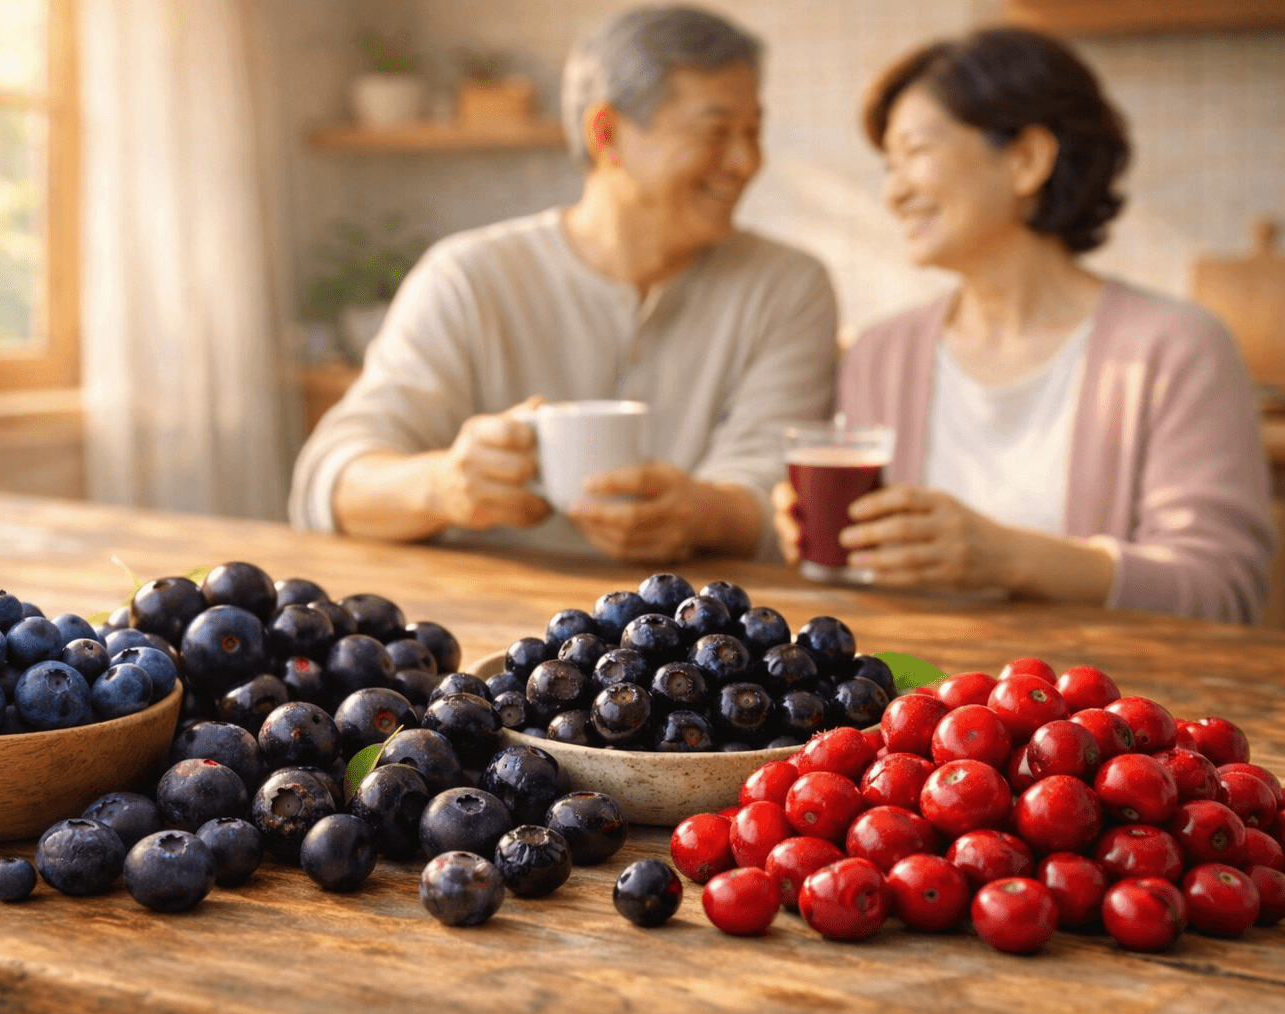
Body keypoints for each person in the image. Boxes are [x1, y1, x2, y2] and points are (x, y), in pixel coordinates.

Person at [290, 5, 837, 562]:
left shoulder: (787, 286)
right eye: (716, 132)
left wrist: (702, 512)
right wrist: (443, 486)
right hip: (494, 630)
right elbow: (329, 482)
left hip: (699, 634)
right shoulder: (468, 277)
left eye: (753, 132)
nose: (746, 161)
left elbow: (779, 493)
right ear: (607, 133)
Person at [773, 27, 1275, 623]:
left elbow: (1222, 590)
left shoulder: (1177, 349)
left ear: (1027, 159)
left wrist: (1009, 558)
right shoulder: (881, 353)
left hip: (1091, 708)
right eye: (888, 165)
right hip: (922, 701)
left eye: (916, 152)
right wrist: (815, 540)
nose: (894, 192)